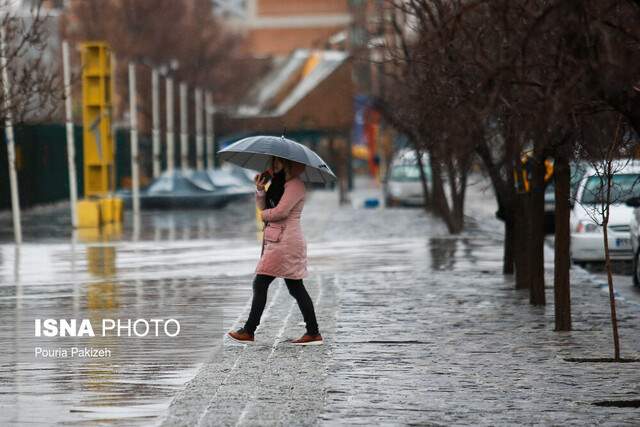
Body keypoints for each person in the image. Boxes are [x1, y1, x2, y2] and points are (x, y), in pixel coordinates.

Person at [227, 156, 323, 345]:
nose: (272, 167)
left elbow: (280, 212)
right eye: (271, 163)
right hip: (278, 240)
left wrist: (263, 216)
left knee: (262, 283)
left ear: (288, 164)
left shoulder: (295, 185)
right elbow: (267, 207)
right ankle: (313, 332)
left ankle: (249, 330)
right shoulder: (279, 184)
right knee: (294, 287)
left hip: (286, 242)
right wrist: (261, 190)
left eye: (276, 163)